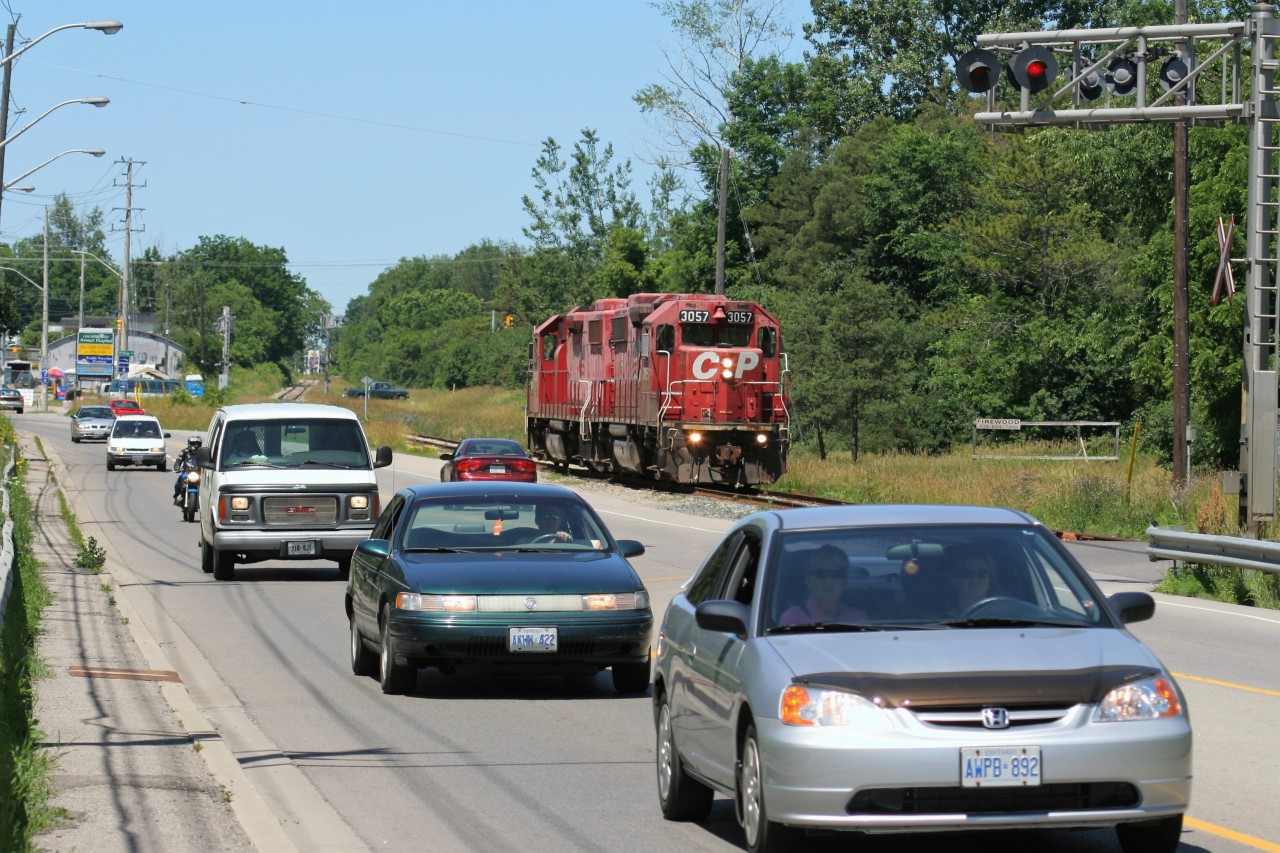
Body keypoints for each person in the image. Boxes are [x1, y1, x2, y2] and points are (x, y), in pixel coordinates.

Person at [778, 545, 867, 626]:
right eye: (820, 574)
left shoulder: (859, 618)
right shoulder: (792, 619)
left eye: (837, 574)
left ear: (845, 581)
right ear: (808, 580)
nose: (829, 580)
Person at [946, 545, 997, 615]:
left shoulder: (1007, 616)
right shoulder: (941, 621)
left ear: (990, 579)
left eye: (982, 572)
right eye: (967, 573)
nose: (975, 579)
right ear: (955, 580)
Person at [172, 435, 203, 504]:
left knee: (205, 486)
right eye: (192, 443)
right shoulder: (184, 451)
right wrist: (177, 467)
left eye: (197, 443)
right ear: (189, 443)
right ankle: (178, 495)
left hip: (199, 473)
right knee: (179, 481)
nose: (195, 446)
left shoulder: (202, 453)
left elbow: (207, 461)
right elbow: (178, 460)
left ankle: (202, 500)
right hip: (186, 472)